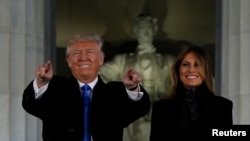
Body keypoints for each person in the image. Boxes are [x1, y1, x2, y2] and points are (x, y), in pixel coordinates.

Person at [22, 33, 150, 141]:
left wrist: (133, 88)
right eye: (77, 53)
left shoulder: (114, 92)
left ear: (101, 59)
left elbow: (140, 108)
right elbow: (31, 104)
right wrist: (41, 83)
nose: (83, 58)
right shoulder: (55, 88)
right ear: (68, 61)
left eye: (89, 52)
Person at [99, 14, 175, 141]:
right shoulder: (122, 61)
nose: (145, 35)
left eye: (148, 30)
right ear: (136, 31)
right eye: (141, 30)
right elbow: (98, 75)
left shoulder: (169, 61)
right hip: (132, 116)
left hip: (159, 112)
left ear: (154, 31)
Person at [150, 45, 233, 141]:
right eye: (186, 64)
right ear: (178, 70)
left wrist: (197, 120)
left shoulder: (222, 106)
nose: (191, 70)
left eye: (197, 64)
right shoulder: (161, 108)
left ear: (206, 70)